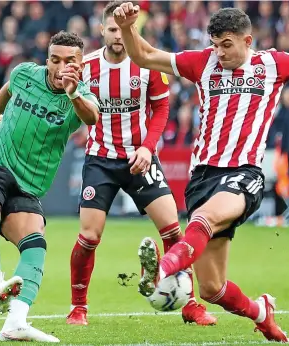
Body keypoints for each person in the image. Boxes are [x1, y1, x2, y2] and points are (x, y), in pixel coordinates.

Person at [113, 3, 289, 342]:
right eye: (215, 44)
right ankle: (261, 312)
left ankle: (162, 270)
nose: (219, 52)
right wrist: (129, 28)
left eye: (226, 45)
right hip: (203, 176)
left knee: (203, 218)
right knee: (212, 289)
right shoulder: (201, 62)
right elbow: (144, 57)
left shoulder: (273, 64)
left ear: (247, 40)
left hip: (243, 174)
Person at [66, 1, 216, 327]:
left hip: (141, 158)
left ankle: (191, 304)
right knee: (89, 236)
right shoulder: (87, 67)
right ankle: (79, 308)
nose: (118, 36)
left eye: (123, 30)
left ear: (133, 30)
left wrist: (148, 148)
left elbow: (162, 110)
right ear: (102, 30)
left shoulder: (148, 64)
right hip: (101, 159)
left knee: (174, 229)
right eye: (112, 30)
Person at [0, 31, 99, 343]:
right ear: (47, 61)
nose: (61, 68)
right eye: (55, 60)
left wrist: (73, 94)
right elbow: (7, 89)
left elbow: (92, 118)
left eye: (69, 61)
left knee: (35, 243)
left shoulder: (82, 97)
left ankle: (15, 322)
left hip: (27, 186)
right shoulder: (24, 73)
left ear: (81, 64)